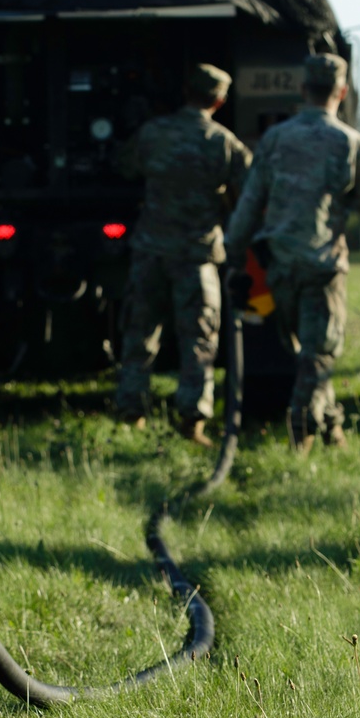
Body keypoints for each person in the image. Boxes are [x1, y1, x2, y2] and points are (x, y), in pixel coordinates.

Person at [225, 54, 360, 452]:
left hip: (281, 266)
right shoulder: (350, 142)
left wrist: (234, 249)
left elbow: (251, 201)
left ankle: (331, 427)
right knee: (318, 354)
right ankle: (301, 432)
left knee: (309, 352)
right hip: (323, 267)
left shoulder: (275, 140)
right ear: (341, 92)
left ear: (304, 89)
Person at [114, 63, 252, 444]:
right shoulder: (223, 142)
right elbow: (252, 192)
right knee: (199, 340)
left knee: (140, 333)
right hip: (197, 256)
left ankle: (131, 412)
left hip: (150, 251)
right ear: (220, 100)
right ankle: (192, 421)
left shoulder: (153, 133)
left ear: (186, 91)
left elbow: (125, 166)